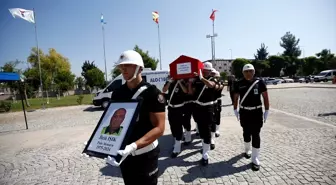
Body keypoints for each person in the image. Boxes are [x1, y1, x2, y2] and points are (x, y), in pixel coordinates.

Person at [105, 50, 166, 185]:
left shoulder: (153, 93)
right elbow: (113, 122)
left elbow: (160, 128)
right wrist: (100, 143)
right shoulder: (117, 93)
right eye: (121, 66)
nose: (123, 68)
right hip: (124, 156)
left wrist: (133, 146)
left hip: (146, 155)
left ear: (139, 68)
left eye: (128, 65)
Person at [233, 63, 269, 171]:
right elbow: (236, 97)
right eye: (246, 71)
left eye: (250, 71)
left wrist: (267, 110)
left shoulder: (260, 82)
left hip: (257, 112)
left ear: (254, 72)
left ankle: (255, 158)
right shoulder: (238, 83)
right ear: (243, 73)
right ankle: (247, 150)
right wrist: (235, 109)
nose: (248, 73)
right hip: (244, 112)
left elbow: (265, 97)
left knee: (256, 134)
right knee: (246, 132)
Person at [189, 62, 217, 166]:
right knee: (201, 129)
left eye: (207, 71)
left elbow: (211, 85)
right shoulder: (197, 80)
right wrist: (190, 83)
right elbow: (191, 93)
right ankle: (204, 146)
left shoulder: (213, 79)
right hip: (198, 107)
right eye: (203, 70)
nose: (205, 72)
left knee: (207, 130)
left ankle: (205, 154)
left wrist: (201, 78)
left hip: (208, 108)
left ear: (210, 71)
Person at [162, 77, 189, 157]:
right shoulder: (169, 81)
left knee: (178, 127)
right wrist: (169, 82)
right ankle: (177, 141)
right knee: (172, 126)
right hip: (171, 108)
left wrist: (180, 82)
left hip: (180, 107)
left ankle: (177, 148)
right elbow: (164, 90)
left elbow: (185, 91)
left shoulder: (182, 81)